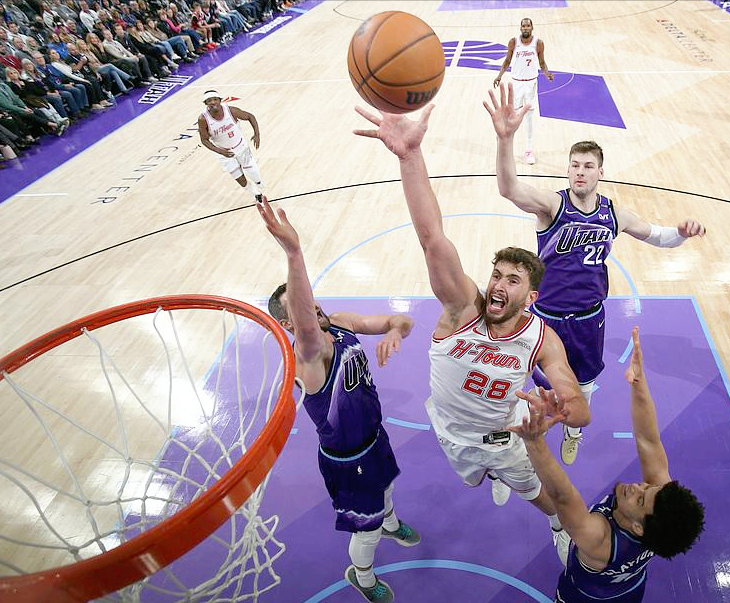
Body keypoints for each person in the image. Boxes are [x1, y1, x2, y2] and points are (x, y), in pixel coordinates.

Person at [353, 103, 591, 562]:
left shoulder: (541, 339)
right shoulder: (464, 309)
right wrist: (409, 155)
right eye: (496, 275)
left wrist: (563, 411)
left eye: (513, 280)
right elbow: (432, 239)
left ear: (531, 297)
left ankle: (559, 526)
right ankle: (493, 475)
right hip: (451, 433)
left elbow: (578, 406)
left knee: (537, 493)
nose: (498, 285)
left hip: (505, 437)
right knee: (474, 479)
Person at [484, 84, 706, 465]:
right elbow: (509, 188)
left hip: (589, 319)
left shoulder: (613, 214)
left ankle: (573, 431)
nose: (580, 172)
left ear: (600, 172)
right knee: (534, 384)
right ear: (567, 170)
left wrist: (682, 233)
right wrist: (506, 139)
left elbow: (658, 236)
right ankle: (521, 443)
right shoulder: (552, 206)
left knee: (583, 386)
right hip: (546, 317)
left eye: (588, 166)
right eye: (575, 165)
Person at [258, 197, 419, 603]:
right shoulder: (307, 357)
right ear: (288, 323)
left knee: (387, 489)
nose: (313, 306)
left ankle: (390, 523)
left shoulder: (341, 322)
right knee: (365, 530)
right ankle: (362, 576)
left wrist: (395, 330)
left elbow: (402, 320)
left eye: (313, 300)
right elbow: (307, 327)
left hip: (375, 438)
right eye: (302, 306)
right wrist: (294, 253)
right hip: (348, 459)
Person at [509, 327, 705, 601]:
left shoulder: (598, 540)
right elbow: (649, 440)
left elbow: (562, 496)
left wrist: (534, 442)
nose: (638, 486)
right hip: (630, 590)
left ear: (638, 528)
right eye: (647, 487)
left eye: (639, 499)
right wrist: (639, 383)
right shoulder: (660, 512)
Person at [492, 17, 553, 165]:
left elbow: (542, 62)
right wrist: (499, 75)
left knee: (529, 117)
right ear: (520, 28)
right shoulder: (514, 42)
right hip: (517, 83)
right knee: (511, 116)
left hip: (531, 83)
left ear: (532, 27)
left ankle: (529, 150)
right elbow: (507, 60)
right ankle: (504, 144)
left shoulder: (538, 43)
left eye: (528, 26)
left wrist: (546, 73)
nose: (525, 28)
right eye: (523, 26)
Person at [197, 89, 266, 201]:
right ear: (205, 103)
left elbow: (250, 116)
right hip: (223, 152)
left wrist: (257, 134)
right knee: (239, 178)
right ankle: (256, 194)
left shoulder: (231, 110)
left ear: (220, 100)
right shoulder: (203, 119)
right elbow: (204, 140)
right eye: (209, 100)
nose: (213, 102)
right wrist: (220, 151)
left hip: (240, 146)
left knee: (255, 176)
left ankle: (259, 183)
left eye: (215, 99)